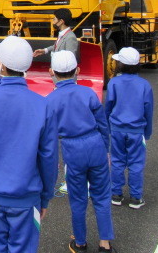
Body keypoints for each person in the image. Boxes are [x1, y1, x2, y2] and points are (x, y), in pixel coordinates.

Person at [0, 36, 58, 253]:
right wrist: (45, 196)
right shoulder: (42, 105)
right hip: (27, 196)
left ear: (0, 64)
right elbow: (49, 157)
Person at [46, 51, 115, 253]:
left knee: (77, 199)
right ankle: (105, 244)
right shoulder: (88, 93)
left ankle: (80, 242)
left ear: (51, 72)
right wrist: (107, 151)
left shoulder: (49, 100)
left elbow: (48, 135)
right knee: (102, 196)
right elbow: (103, 125)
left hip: (71, 148)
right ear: (77, 70)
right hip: (95, 145)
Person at [105, 47, 153, 210]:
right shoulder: (144, 85)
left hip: (117, 128)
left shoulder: (114, 82)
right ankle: (135, 197)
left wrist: (107, 125)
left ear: (120, 64)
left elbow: (108, 106)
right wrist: (147, 131)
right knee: (136, 164)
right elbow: (148, 110)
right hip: (137, 130)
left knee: (117, 161)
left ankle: (116, 194)